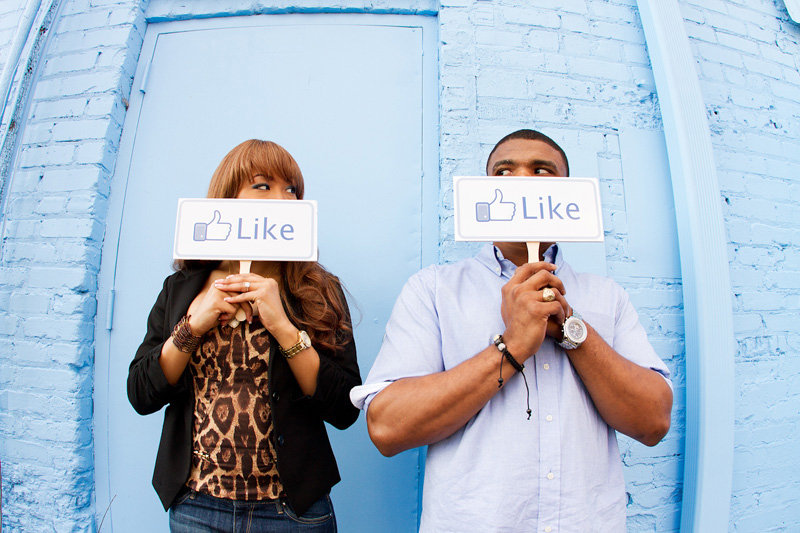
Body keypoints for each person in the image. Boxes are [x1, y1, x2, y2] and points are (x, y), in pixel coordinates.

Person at [351, 129, 673, 532]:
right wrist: (513, 346)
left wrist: (573, 333)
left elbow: (653, 421)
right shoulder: (433, 290)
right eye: (504, 173)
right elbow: (386, 427)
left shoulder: (608, 296)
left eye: (542, 171)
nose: (522, 182)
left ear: (568, 196)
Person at [128, 139, 361, 532]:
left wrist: (285, 329)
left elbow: (344, 408)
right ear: (226, 197)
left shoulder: (318, 290)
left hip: (294, 511)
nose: (284, 199)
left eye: (292, 190)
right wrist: (193, 325)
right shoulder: (181, 289)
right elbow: (141, 393)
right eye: (262, 185)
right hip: (196, 507)